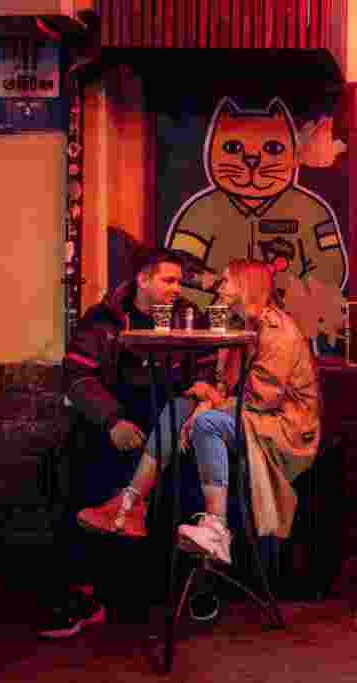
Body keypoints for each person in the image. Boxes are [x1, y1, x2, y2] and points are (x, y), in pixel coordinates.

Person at [78, 258, 322, 573]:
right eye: (169, 281)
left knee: (205, 423)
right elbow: (221, 383)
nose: (220, 286)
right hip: (246, 414)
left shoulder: (277, 332)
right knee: (181, 405)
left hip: (283, 426)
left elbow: (261, 400)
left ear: (246, 287)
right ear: (142, 280)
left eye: (227, 281)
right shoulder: (235, 323)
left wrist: (207, 407)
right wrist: (204, 397)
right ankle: (131, 502)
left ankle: (216, 528)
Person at [37, 247, 212, 639]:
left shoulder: (190, 317)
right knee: (75, 467)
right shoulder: (103, 320)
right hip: (119, 418)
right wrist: (112, 420)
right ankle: (83, 597)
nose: (176, 289)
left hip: (170, 418)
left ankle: (187, 591)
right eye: (168, 280)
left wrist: (203, 391)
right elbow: (78, 378)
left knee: (192, 475)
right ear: (143, 280)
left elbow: (205, 370)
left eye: (179, 281)